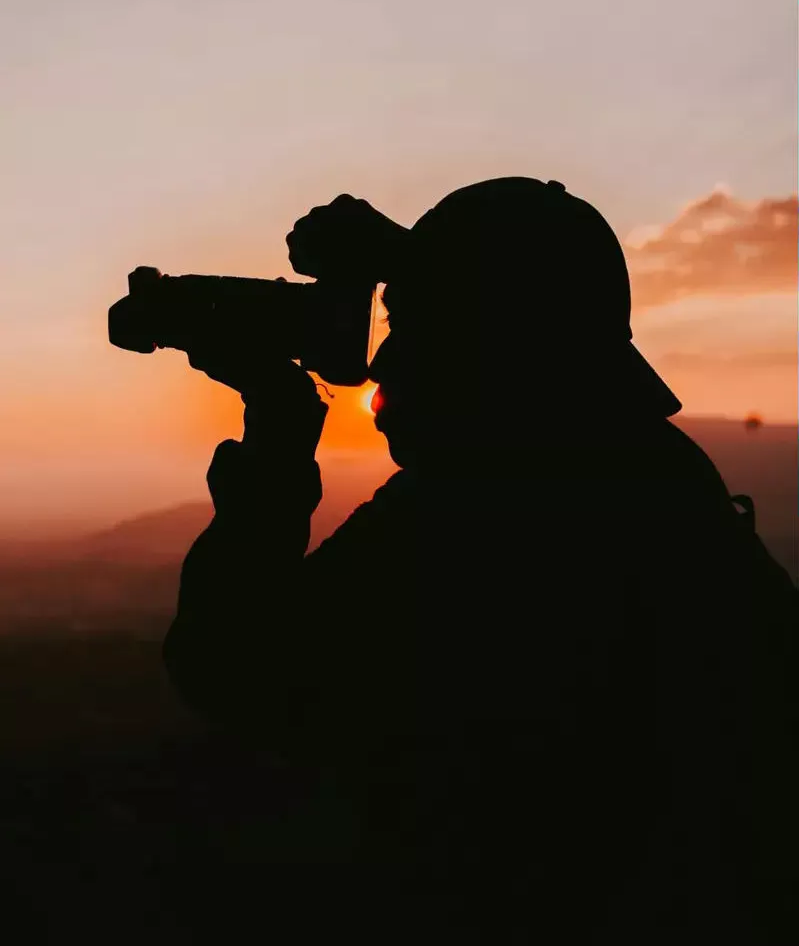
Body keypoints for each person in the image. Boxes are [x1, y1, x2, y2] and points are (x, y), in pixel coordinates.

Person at [162, 177, 797, 942]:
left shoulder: (489, 507)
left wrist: (274, 439)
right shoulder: (650, 476)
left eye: (412, 323)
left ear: (494, 343)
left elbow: (236, 667)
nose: (379, 361)